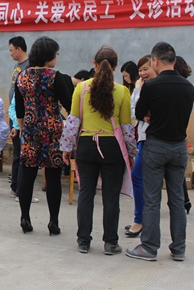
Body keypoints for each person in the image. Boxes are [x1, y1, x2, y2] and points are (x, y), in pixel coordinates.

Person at [60, 45, 136, 255]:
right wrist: (131, 153)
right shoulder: (122, 91)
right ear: (115, 66)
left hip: (86, 145)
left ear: (94, 64)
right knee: (111, 197)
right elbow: (126, 127)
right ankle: (110, 242)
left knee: (86, 193)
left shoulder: (82, 88)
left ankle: (83, 240)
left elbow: (73, 121)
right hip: (112, 147)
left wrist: (66, 147)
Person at [126, 42, 194, 262]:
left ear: (155, 60)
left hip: (156, 146)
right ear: (173, 60)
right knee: (177, 199)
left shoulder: (152, 86)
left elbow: (138, 113)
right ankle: (179, 248)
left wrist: (148, 113)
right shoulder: (188, 87)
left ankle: (149, 247)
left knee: (152, 198)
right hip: (179, 147)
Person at [14, 37, 72, 235]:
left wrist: (24, 129)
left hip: (30, 130)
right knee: (53, 177)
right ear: (48, 56)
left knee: (27, 175)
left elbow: (19, 109)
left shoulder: (22, 76)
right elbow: (69, 105)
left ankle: (25, 218)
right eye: (56, 53)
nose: (57, 57)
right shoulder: (55, 77)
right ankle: (53, 222)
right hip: (52, 132)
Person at [124, 55, 155, 238]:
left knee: (138, 177)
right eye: (140, 70)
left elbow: (135, 112)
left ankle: (140, 221)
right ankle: (140, 219)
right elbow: (135, 114)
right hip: (143, 137)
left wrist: (137, 91)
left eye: (146, 69)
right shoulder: (144, 87)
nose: (142, 73)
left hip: (152, 139)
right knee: (139, 177)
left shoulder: (153, 88)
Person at [7, 36, 29, 199]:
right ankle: (16, 188)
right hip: (15, 115)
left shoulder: (29, 67)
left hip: (23, 117)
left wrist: (19, 122)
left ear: (19, 49)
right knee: (18, 153)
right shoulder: (17, 66)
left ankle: (20, 189)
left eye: (11, 50)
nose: (10, 53)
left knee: (24, 154)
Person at [174, 56, 193, 214]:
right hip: (180, 136)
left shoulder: (171, 87)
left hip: (165, 138)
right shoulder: (188, 87)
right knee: (177, 174)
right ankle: (185, 201)